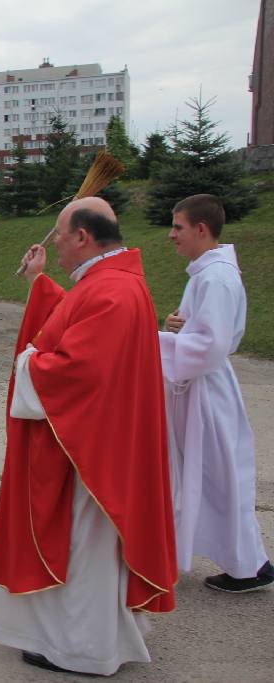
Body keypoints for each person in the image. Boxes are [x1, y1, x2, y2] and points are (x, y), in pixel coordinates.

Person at [0, 197, 178, 676]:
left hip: (95, 456)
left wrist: (30, 362)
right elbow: (74, 316)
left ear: (84, 238)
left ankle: (85, 651)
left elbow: (80, 370)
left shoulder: (112, 292)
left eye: (60, 237)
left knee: (86, 550)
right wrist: (38, 282)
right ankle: (81, 639)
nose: (57, 245)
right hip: (102, 443)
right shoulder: (111, 283)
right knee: (88, 549)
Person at [159, 194, 272, 592]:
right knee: (214, 477)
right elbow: (201, 332)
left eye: (178, 227)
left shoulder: (216, 277)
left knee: (221, 476)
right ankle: (247, 563)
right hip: (200, 387)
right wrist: (177, 328)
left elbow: (211, 344)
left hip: (207, 391)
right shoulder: (206, 274)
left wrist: (155, 343)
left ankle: (251, 565)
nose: (172, 235)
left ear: (201, 230)